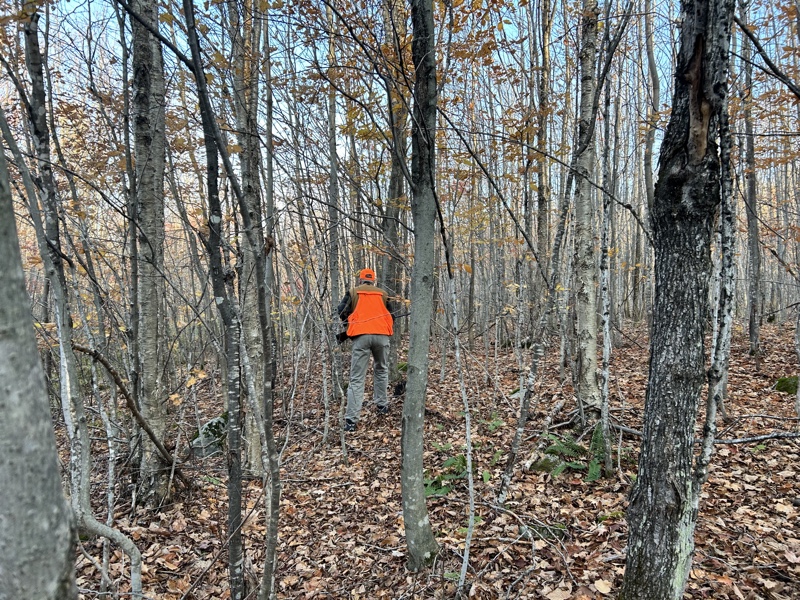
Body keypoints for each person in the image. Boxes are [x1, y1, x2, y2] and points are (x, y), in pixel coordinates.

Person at [337, 268, 395, 432]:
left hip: (361, 337)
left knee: (356, 378)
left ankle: (351, 421)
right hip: (382, 336)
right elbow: (392, 315)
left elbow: (341, 310)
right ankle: (382, 406)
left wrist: (351, 322)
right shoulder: (383, 294)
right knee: (381, 370)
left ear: (361, 280)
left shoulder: (353, 292)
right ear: (373, 280)